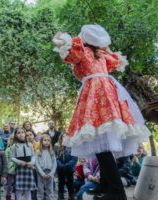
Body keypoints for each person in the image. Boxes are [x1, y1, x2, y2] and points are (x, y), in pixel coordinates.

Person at [53, 24, 151, 200]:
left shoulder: (82, 50)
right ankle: (107, 184)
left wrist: (58, 38)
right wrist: (103, 45)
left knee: (100, 141)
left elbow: (66, 49)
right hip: (109, 92)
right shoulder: (102, 54)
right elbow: (116, 60)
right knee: (101, 141)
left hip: (95, 93)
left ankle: (116, 191)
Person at [11, 127, 36, 200]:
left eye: (22, 132)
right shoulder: (14, 146)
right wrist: (19, 162)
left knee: (28, 189)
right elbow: (12, 157)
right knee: (19, 189)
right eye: (18, 133)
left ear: (25, 134)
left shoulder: (29, 144)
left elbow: (33, 155)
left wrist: (32, 162)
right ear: (15, 135)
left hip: (29, 168)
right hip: (20, 169)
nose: (21, 134)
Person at [35, 134, 57, 200]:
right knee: (40, 188)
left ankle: (50, 198)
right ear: (41, 142)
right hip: (41, 173)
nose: (47, 142)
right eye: (45, 140)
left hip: (50, 172)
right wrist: (42, 173)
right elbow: (36, 163)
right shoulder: (38, 152)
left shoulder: (52, 152)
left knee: (50, 188)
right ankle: (40, 198)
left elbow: (54, 163)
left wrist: (51, 173)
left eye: (48, 140)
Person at [56, 133, 77, 200]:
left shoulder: (72, 146)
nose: (64, 138)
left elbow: (74, 158)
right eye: (63, 137)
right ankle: (60, 196)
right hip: (60, 169)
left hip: (69, 169)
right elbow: (55, 158)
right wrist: (61, 165)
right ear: (61, 138)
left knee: (70, 183)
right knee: (60, 183)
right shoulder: (57, 147)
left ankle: (71, 196)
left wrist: (67, 165)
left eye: (66, 137)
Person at [5, 135, 15, 200]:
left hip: (17, 168)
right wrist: (7, 167)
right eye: (11, 139)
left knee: (16, 184)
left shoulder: (18, 148)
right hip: (10, 169)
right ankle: (8, 195)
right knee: (9, 184)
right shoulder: (8, 149)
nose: (13, 141)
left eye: (14, 139)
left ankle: (16, 195)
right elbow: (6, 158)